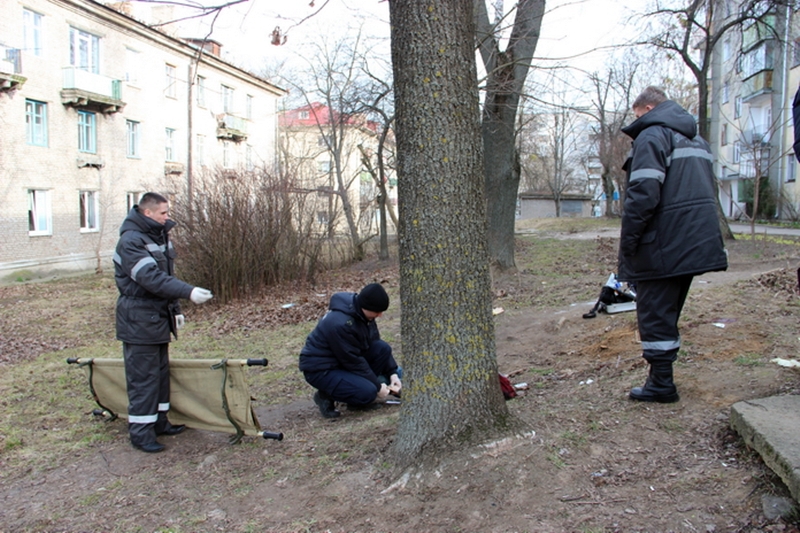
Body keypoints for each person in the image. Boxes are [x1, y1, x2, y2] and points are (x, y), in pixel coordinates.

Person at [618, 86, 728, 403]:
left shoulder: (653, 136)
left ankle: (661, 384)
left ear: (650, 108)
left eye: (639, 116)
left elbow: (643, 195)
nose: (637, 123)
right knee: (667, 312)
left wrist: (630, 245)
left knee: (654, 313)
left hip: (663, 242)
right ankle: (660, 377)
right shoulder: (697, 139)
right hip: (695, 241)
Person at [114, 192, 214, 452]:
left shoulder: (157, 236)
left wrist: (176, 309)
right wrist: (188, 291)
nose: (167, 217)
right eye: (163, 213)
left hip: (156, 317)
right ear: (148, 213)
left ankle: (160, 422)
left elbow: (166, 275)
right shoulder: (131, 242)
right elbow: (150, 278)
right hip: (138, 320)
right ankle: (141, 434)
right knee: (143, 379)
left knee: (158, 375)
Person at [299, 282, 402, 418]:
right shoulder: (340, 324)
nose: (380, 315)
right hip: (321, 369)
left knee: (382, 348)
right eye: (377, 312)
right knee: (368, 392)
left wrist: (392, 373)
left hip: (342, 362)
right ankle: (325, 395)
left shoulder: (365, 316)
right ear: (366, 307)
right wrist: (378, 387)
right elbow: (353, 361)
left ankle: (356, 391)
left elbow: (375, 343)